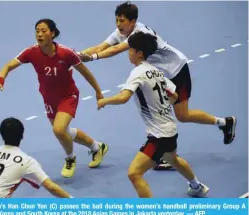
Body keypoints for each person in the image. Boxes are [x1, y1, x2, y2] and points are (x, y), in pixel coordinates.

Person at [79, 1, 236, 170]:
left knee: (182, 115)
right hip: (160, 75)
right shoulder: (121, 31)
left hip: (176, 70)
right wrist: (77, 55)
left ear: (133, 22)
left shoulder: (139, 33)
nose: (118, 24)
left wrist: (93, 58)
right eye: (117, 20)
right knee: (160, 112)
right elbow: (102, 46)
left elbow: (114, 50)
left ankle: (222, 123)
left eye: (122, 21)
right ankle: (164, 153)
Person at [0, 19, 109, 178]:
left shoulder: (66, 53)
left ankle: (70, 158)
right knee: (65, 132)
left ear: (52, 33)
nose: (39, 34)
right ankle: (97, 147)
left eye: (43, 31)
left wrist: (98, 92)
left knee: (58, 130)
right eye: (37, 31)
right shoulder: (31, 52)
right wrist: (0, 79)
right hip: (48, 98)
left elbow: (86, 73)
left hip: (68, 96)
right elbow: (9, 65)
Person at [97, 31, 209, 198]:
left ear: (139, 53)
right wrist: (162, 106)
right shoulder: (156, 71)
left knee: (134, 174)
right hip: (171, 129)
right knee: (173, 160)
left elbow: (123, 97)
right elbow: (175, 95)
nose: (128, 53)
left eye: (130, 50)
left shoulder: (137, 73)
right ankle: (196, 186)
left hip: (159, 135)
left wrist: (104, 101)